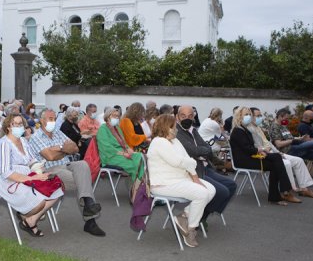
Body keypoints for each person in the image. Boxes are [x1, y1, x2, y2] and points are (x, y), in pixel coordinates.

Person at [29, 109, 106, 236]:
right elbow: (50, 156)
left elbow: (75, 148)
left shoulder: (58, 133)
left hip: (67, 164)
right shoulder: (36, 137)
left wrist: (58, 150)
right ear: (42, 121)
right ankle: (90, 216)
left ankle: (89, 207)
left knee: (83, 165)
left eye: (54, 118)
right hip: (50, 170)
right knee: (83, 179)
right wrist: (64, 149)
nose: (53, 121)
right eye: (50, 118)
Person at [147, 114, 216, 248]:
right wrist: (190, 166)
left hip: (180, 179)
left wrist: (194, 176)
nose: (176, 129)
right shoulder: (158, 142)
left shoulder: (174, 141)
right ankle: (191, 230)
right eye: (173, 126)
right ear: (166, 127)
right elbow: (179, 161)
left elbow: (186, 160)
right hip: (163, 184)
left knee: (211, 190)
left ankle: (184, 216)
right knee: (202, 194)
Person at [0, 113, 64, 237]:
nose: (20, 126)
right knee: (39, 201)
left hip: (26, 176)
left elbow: (31, 159)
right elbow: (6, 173)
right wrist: (32, 177)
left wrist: (40, 169)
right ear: (8, 126)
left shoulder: (23, 141)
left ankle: (30, 220)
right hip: (8, 181)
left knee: (57, 187)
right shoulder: (4, 144)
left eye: (21, 124)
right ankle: (26, 214)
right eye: (16, 124)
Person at [174, 106, 237, 227]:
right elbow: (194, 151)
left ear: (194, 117)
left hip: (206, 167)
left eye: (190, 116)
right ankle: (193, 218)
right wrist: (204, 150)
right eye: (183, 116)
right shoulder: (177, 132)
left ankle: (201, 216)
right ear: (177, 117)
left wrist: (204, 151)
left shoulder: (193, 130)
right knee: (222, 192)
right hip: (193, 171)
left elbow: (207, 149)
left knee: (231, 185)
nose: (187, 119)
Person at [248, 107, 313, 200]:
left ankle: (304, 189)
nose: (260, 117)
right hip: (263, 154)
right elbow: (256, 146)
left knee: (299, 160)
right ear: (251, 117)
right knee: (287, 163)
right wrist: (272, 151)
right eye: (258, 116)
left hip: (273, 152)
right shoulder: (249, 129)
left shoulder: (258, 128)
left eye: (261, 115)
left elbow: (268, 142)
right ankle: (288, 191)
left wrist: (278, 152)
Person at [229, 107, 293, 206]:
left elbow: (250, 148)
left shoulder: (244, 129)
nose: (249, 116)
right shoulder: (238, 130)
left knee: (276, 157)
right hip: (243, 160)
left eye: (249, 114)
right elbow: (247, 148)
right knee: (275, 162)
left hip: (251, 156)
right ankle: (282, 191)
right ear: (239, 116)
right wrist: (261, 150)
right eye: (246, 114)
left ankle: (281, 191)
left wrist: (261, 151)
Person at [96, 107, 145, 196]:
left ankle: (138, 187)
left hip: (122, 154)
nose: (117, 118)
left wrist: (128, 149)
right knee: (134, 165)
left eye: (118, 117)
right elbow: (106, 148)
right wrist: (123, 153)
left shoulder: (117, 128)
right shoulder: (102, 129)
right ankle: (136, 191)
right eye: (114, 116)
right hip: (110, 156)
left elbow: (123, 142)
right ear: (107, 117)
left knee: (140, 157)